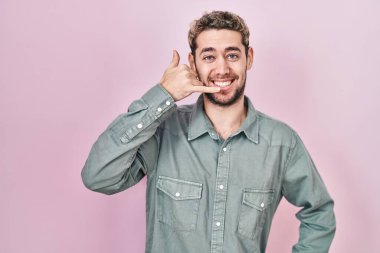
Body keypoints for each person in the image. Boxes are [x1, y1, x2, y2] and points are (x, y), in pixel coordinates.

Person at [81, 11, 336, 253]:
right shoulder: (162, 130)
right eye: (209, 56)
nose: (222, 69)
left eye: (233, 55)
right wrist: (164, 94)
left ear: (249, 58)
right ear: (193, 63)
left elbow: (320, 212)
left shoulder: (282, 143)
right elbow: (98, 176)